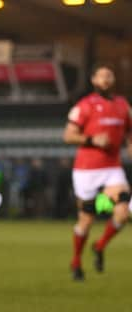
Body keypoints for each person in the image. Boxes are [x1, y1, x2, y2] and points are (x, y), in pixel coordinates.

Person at [63, 64, 132, 282]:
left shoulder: (123, 105)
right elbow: (68, 135)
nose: (106, 79)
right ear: (93, 80)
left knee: (123, 211)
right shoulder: (85, 105)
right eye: (102, 76)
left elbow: (130, 131)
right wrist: (92, 139)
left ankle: (100, 246)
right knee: (86, 221)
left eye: (109, 75)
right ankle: (76, 261)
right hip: (86, 169)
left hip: (112, 167)